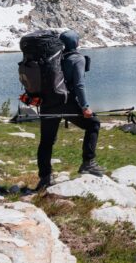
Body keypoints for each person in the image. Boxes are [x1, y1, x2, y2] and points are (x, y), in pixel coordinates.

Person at [35, 29, 103, 191]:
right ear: (76, 43)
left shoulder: (53, 58)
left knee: (46, 142)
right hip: (66, 102)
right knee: (93, 124)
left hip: (47, 103)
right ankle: (88, 162)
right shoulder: (77, 58)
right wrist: (85, 106)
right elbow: (79, 84)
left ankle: (44, 178)